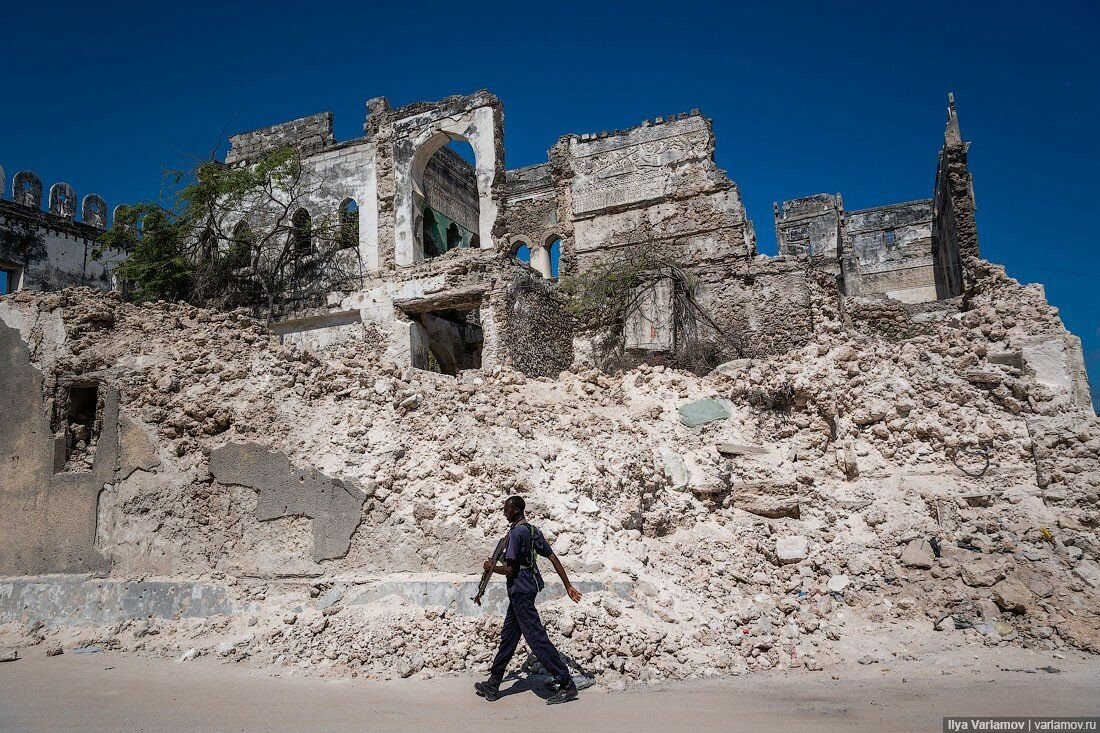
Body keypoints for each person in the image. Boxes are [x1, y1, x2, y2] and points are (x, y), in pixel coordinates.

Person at [474, 496, 582, 705]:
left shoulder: (516, 534)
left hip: (520, 592)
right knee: (509, 637)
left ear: (516, 510)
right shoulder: (532, 531)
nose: (504, 512)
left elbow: (510, 570)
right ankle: (494, 683)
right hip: (524, 591)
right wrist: (567, 584)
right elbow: (552, 557)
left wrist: (490, 568)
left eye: (506, 509)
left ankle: (566, 684)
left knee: (536, 638)